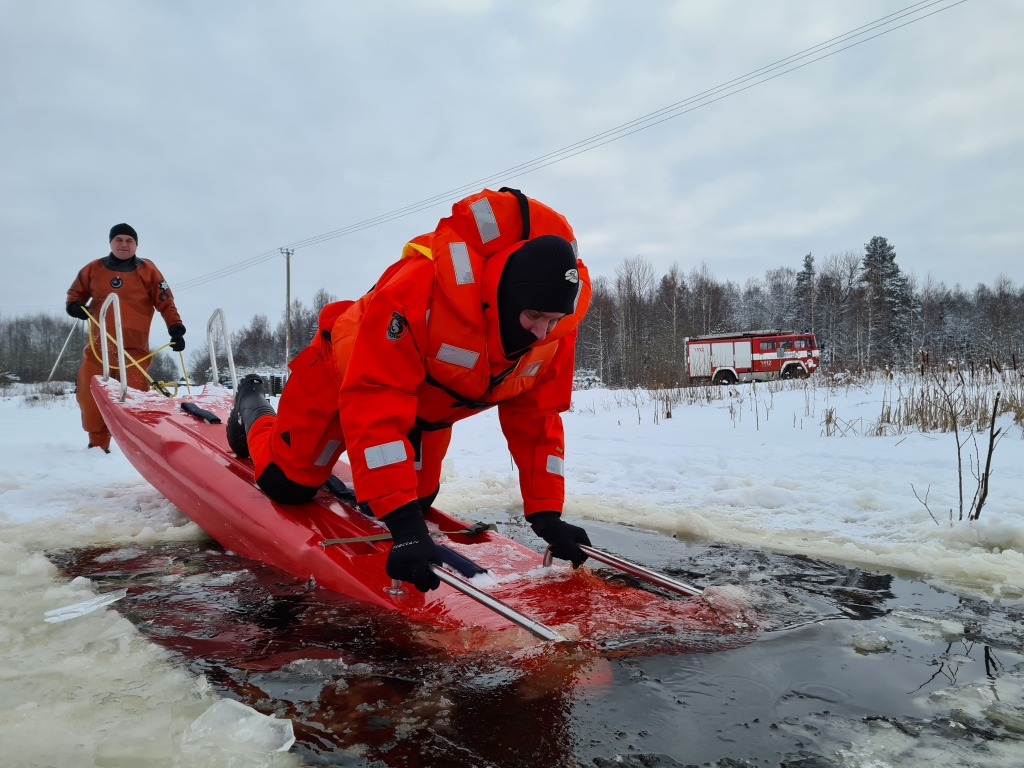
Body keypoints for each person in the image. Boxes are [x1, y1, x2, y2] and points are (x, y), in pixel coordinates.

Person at [227, 188, 593, 592]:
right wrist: (402, 527)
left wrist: (546, 515)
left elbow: (537, 419)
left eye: (554, 319)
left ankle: (389, 496)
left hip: (426, 412)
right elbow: (375, 400)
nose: (542, 330)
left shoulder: (556, 333)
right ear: (505, 296)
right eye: (534, 315)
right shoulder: (418, 293)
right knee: (286, 485)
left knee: (417, 504)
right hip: (340, 377)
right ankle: (253, 409)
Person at [66, 223, 186, 452]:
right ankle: (98, 447)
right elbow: (76, 292)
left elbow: (165, 301)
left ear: (136, 245)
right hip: (98, 347)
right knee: (89, 396)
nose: (124, 244)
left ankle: (137, 449)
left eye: (129, 240)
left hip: (134, 351)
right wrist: (74, 305)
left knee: (133, 399)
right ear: (111, 243)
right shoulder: (93, 268)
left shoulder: (148, 269)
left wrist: (176, 328)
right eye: (119, 239)